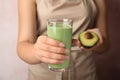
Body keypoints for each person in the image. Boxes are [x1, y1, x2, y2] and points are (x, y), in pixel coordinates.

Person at [17, 0, 109, 80]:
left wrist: (96, 42)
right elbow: (22, 45)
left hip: (84, 73)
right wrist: (37, 52)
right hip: (44, 75)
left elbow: (105, 46)